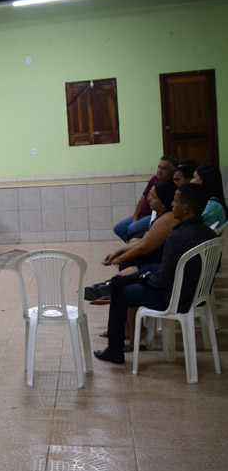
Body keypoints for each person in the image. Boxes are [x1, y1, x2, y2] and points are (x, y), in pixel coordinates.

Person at [92, 183, 217, 364]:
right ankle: (112, 286)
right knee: (134, 276)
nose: (172, 205)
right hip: (195, 295)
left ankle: (114, 350)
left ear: (186, 207)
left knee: (122, 292)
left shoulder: (177, 236)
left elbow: (161, 280)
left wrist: (145, 278)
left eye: (175, 201)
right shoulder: (209, 234)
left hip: (174, 298)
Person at [113, 156, 177, 242]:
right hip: (142, 214)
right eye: (158, 167)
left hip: (153, 216)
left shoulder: (171, 186)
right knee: (119, 229)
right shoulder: (154, 179)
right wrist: (135, 217)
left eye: (164, 169)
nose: (159, 171)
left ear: (172, 171)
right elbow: (142, 199)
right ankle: (134, 247)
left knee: (132, 229)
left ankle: (140, 247)